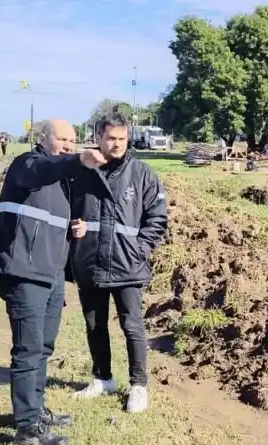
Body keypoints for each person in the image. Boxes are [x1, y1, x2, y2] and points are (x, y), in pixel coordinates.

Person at [0, 120, 105, 445]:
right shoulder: (28, 163)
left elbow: (49, 220)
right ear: (43, 139)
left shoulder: (62, 180)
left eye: (73, 141)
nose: (68, 145)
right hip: (23, 270)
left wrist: (74, 227)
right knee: (28, 348)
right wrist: (77, 160)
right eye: (62, 139)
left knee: (44, 346)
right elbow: (41, 171)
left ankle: (35, 411)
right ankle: (26, 427)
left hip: (50, 272)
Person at [67, 112, 167, 414]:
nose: (117, 144)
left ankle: (138, 386)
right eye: (111, 138)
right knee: (94, 325)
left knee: (132, 326)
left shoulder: (143, 174)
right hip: (90, 263)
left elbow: (157, 218)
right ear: (98, 137)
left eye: (122, 139)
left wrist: (139, 249)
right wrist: (74, 228)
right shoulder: (82, 172)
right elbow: (66, 209)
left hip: (128, 265)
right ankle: (102, 378)